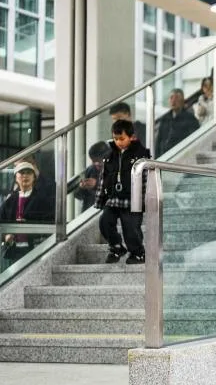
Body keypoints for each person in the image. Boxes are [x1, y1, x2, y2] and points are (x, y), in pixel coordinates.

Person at [96, 120, 151, 264]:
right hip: (113, 199)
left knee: (131, 228)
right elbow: (103, 178)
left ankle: (138, 253)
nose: (118, 142)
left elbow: (147, 179)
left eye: (122, 139)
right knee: (104, 221)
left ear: (131, 137)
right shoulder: (109, 156)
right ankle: (116, 246)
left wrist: (145, 201)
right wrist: (100, 200)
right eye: (115, 139)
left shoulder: (141, 155)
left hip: (133, 199)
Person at [0, 161, 55, 263]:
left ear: (34, 178)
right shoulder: (10, 201)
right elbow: (1, 223)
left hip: (35, 249)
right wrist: (6, 236)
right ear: (16, 178)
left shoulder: (42, 199)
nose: (25, 176)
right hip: (13, 250)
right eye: (22, 173)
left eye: (29, 173)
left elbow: (50, 222)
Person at [155, 88, 200, 157]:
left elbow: (194, 141)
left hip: (179, 156)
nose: (173, 101)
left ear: (182, 101)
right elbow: (159, 141)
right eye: (171, 98)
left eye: (176, 98)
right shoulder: (165, 118)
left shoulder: (190, 119)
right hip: (164, 156)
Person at [75, 142, 109, 211]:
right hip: (89, 212)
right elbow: (78, 196)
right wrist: (82, 187)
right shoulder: (90, 170)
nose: (96, 164)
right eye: (93, 161)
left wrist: (96, 184)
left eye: (99, 161)